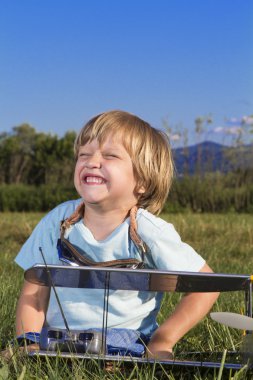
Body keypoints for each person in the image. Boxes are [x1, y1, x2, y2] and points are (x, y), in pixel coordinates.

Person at [15, 110, 219, 359]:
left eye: (110, 155)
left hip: (127, 341)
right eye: (84, 155)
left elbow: (207, 285)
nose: (91, 162)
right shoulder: (57, 223)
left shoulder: (148, 232)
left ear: (142, 181)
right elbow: (35, 288)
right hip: (58, 340)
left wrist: (162, 341)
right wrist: (29, 342)